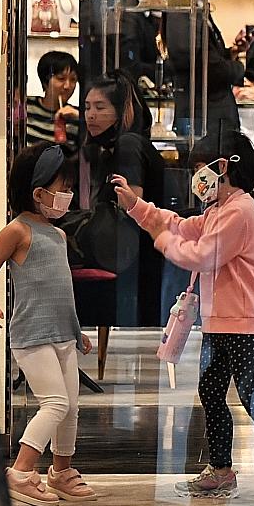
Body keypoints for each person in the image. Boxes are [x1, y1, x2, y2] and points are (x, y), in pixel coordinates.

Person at [113, 129, 254, 505]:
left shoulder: (240, 210)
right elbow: (179, 225)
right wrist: (138, 207)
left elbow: (202, 255)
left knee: (251, 394)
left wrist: (162, 242)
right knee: (212, 391)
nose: (197, 178)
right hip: (219, 320)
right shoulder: (218, 210)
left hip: (243, 321)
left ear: (223, 167)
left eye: (200, 168)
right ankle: (220, 470)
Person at [0, 143, 97, 506]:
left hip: (63, 335)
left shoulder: (58, 235)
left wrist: (77, 331)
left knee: (71, 406)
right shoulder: (16, 231)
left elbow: (61, 291)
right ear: (38, 192)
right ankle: (20, 472)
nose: (67, 195)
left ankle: (61, 471)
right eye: (62, 188)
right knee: (55, 403)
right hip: (32, 335)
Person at [71, 76, 166, 327]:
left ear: (120, 111)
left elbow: (132, 206)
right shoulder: (106, 152)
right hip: (135, 258)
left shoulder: (128, 145)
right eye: (87, 107)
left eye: (100, 107)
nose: (91, 115)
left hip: (136, 261)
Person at [163, 0, 245, 136]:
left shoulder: (199, 10)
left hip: (211, 113)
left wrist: (229, 53)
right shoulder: (185, 13)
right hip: (203, 115)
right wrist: (238, 68)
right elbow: (205, 65)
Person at [24, 50, 81, 149]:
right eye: (61, 78)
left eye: (73, 80)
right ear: (45, 81)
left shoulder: (76, 115)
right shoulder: (27, 106)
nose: (67, 86)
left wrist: (79, 117)